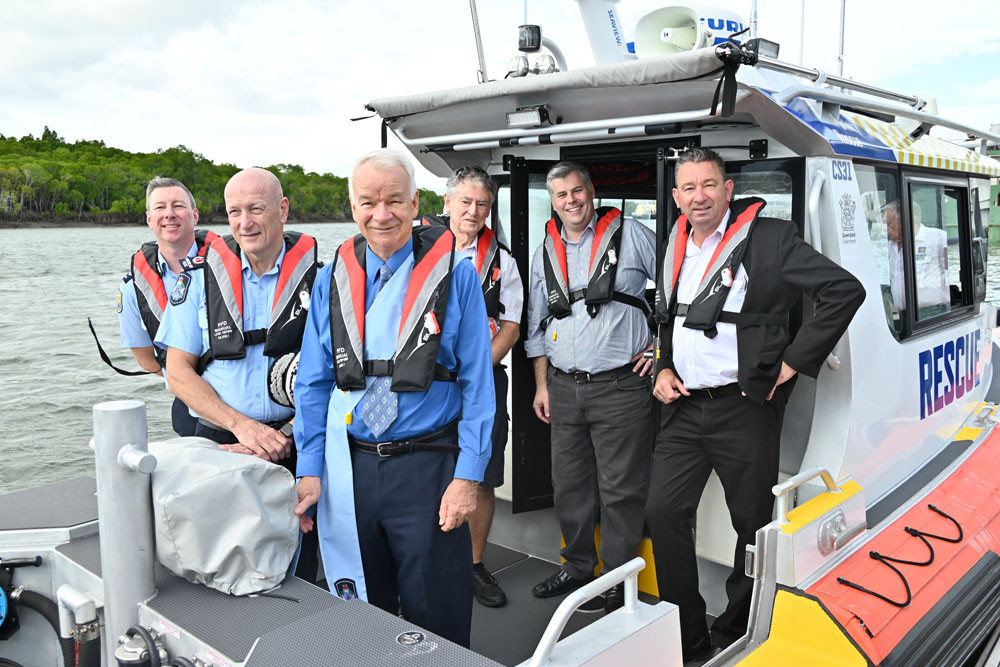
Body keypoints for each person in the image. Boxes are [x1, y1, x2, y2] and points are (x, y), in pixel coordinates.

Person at [645, 148, 865, 661]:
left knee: (751, 523)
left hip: (743, 406)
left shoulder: (772, 238)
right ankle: (687, 632)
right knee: (662, 510)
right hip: (682, 407)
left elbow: (843, 290)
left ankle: (740, 619)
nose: (698, 196)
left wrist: (791, 364)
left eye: (709, 184)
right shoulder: (674, 243)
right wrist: (660, 367)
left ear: (728, 190)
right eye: (688, 188)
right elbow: (666, 318)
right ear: (676, 198)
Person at [292, 149, 494, 648]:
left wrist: (468, 476)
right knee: (361, 612)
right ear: (352, 206)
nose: (381, 214)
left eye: (393, 201)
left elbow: (478, 384)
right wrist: (310, 468)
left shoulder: (457, 275)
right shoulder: (329, 280)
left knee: (438, 612)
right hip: (350, 469)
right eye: (367, 202)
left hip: (427, 468)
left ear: (415, 203)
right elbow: (314, 382)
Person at [524, 161, 656, 614]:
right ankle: (578, 569)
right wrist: (541, 385)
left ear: (592, 192)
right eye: (561, 195)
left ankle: (618, 579)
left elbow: (680, 287)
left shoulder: (635, 234)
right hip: (563, 387)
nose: (571, 201)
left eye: (577, 191)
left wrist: (660, 349)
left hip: (621, 386)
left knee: (621, 488)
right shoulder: (544, 249)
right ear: (553, 201)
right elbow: (536, 325)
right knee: (570, 485)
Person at [155, 167, 317, 468]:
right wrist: (242, 427)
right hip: (219, 441)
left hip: (299, 440)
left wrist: (285, 432)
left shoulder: (320, 280)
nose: (245, 223)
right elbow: (176, 373)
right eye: (234, 212)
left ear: (282, 210)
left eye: (256, 209)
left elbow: (337, 371)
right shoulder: (196, 281)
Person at [424, 166, 523, 608]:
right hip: (423, 385)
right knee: (426, 469)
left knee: (481, 477)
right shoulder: (417, 249)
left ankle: (475, 565)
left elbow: (513, 326)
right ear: (446, 203)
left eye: (482, 204)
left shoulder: (504, 262)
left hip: (481, 384)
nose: (474, 211)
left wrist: (478, 369)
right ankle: (425, 561)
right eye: (465, 202)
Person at [117, 177, 217, 436]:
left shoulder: (232, 265)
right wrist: (188, 379)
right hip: (191, 408)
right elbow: (146, 360)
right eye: (160, 208)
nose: (169, 214)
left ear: (195, 216)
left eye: (178, 206)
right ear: (149, 219)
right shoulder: (132, 289)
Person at [885, 200, 948, 317]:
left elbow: (950, 273)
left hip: (932, 312)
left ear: (906, 220)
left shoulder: (938, 238)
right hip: (902, 315)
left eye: (889, 224)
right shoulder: (890, 245)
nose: (886, 229)